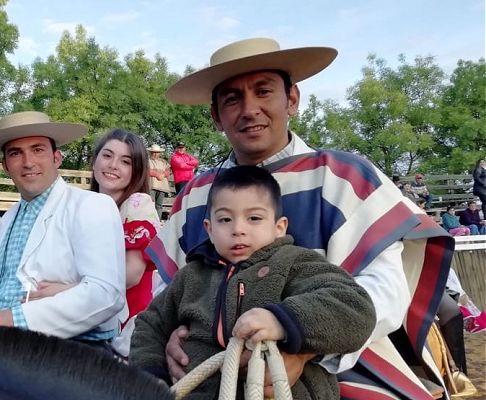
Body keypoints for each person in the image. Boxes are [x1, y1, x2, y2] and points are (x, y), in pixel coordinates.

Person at [146, 38, 453, 399]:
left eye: (264, 91)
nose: (249, 109)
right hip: (207, 369)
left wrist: (307, 348)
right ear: (216, 116)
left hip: (340, 364)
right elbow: (166, 292)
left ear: (292, 100)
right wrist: (170, 340)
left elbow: (386, 289)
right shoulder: (194, 196)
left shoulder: (347, 178)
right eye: (232, 99)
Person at [131, 166, 376, 399]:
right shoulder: (191, 275)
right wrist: (151, 375)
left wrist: (283, 320)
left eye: (254, 218)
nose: (238, 229)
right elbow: (150, 325)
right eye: (225, 220)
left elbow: (354, 306)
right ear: (209, 229)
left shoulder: (295, 263)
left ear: (279, 227)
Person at [0, 111, 127, 350]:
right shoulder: (8, 218)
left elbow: (106, 294)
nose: (28, 162)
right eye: (16, 153)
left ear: (56, 158)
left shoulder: (91, 205)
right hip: (5, 343)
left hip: (72, 349)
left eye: (38, 149)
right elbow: (12, 283)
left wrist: (16, 319)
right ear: (5, 165)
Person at [89, 128, 162, 357]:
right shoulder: (83, 207)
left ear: (136, 170)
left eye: (125, 161)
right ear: (94, 161)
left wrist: (70, 289)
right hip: (89, 315)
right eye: (107, 155)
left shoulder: (137, 204)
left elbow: (131, 275)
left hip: (125, 325)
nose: (113, 165)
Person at [147, 144, 171, 218]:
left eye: (157, 152)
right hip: (152, 185)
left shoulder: (164, 162)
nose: (155, 154)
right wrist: (157, 174)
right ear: (151, 152)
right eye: (154, 152)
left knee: (159, 205)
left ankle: (158, 220)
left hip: (162, 186)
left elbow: (168, 171)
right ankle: (151, 221)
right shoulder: (147, 161)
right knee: (151, 204)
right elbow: (146, 170)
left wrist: (163, 175)